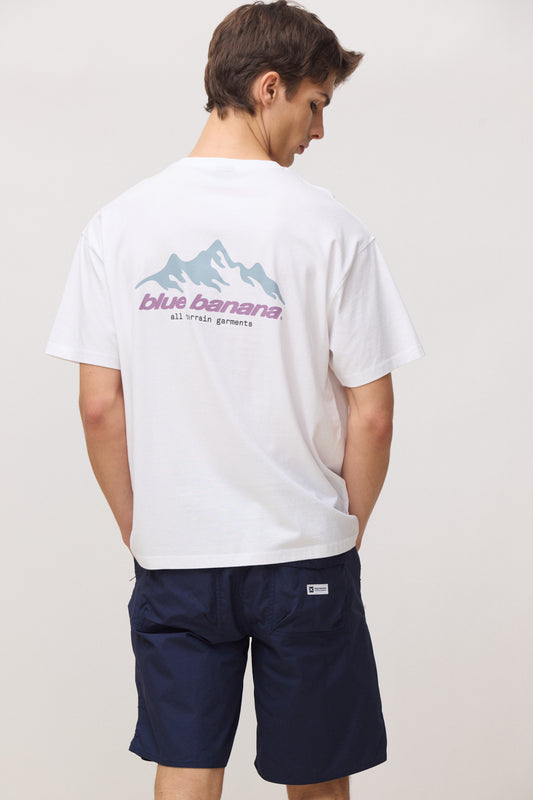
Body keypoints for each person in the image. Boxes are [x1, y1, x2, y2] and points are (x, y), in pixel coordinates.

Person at [45, 1, 425, 798]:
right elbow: (374, 413)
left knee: (185, 771)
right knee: (317, 776)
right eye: (315, 104)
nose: (318, 130)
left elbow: (98, 407)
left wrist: (144, 529)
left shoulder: (117, 226)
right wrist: (340, 534)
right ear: (267, 87)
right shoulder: (329, 229)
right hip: (302, 553)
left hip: (177, 555)